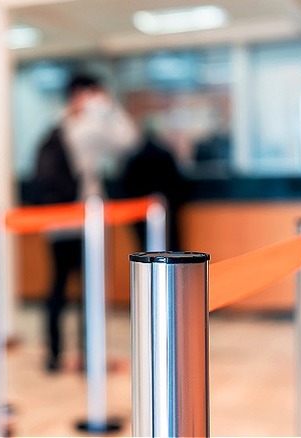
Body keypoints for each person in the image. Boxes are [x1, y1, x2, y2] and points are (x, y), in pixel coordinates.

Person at [32, 72, 138, 372]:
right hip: (84, 217)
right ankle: (88, 355)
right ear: (85, 94)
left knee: (58, 285)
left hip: (56, 220)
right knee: (89, 288)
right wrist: (109, 109)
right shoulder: (89, 128)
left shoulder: (55, 125)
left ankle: (53, 355)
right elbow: (129, 142)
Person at [120, 130, 191, 251]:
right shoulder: (166, 155)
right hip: (167, 212)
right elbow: (180, 186)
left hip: (140, 217)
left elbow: (125, 187)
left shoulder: (133, 159)